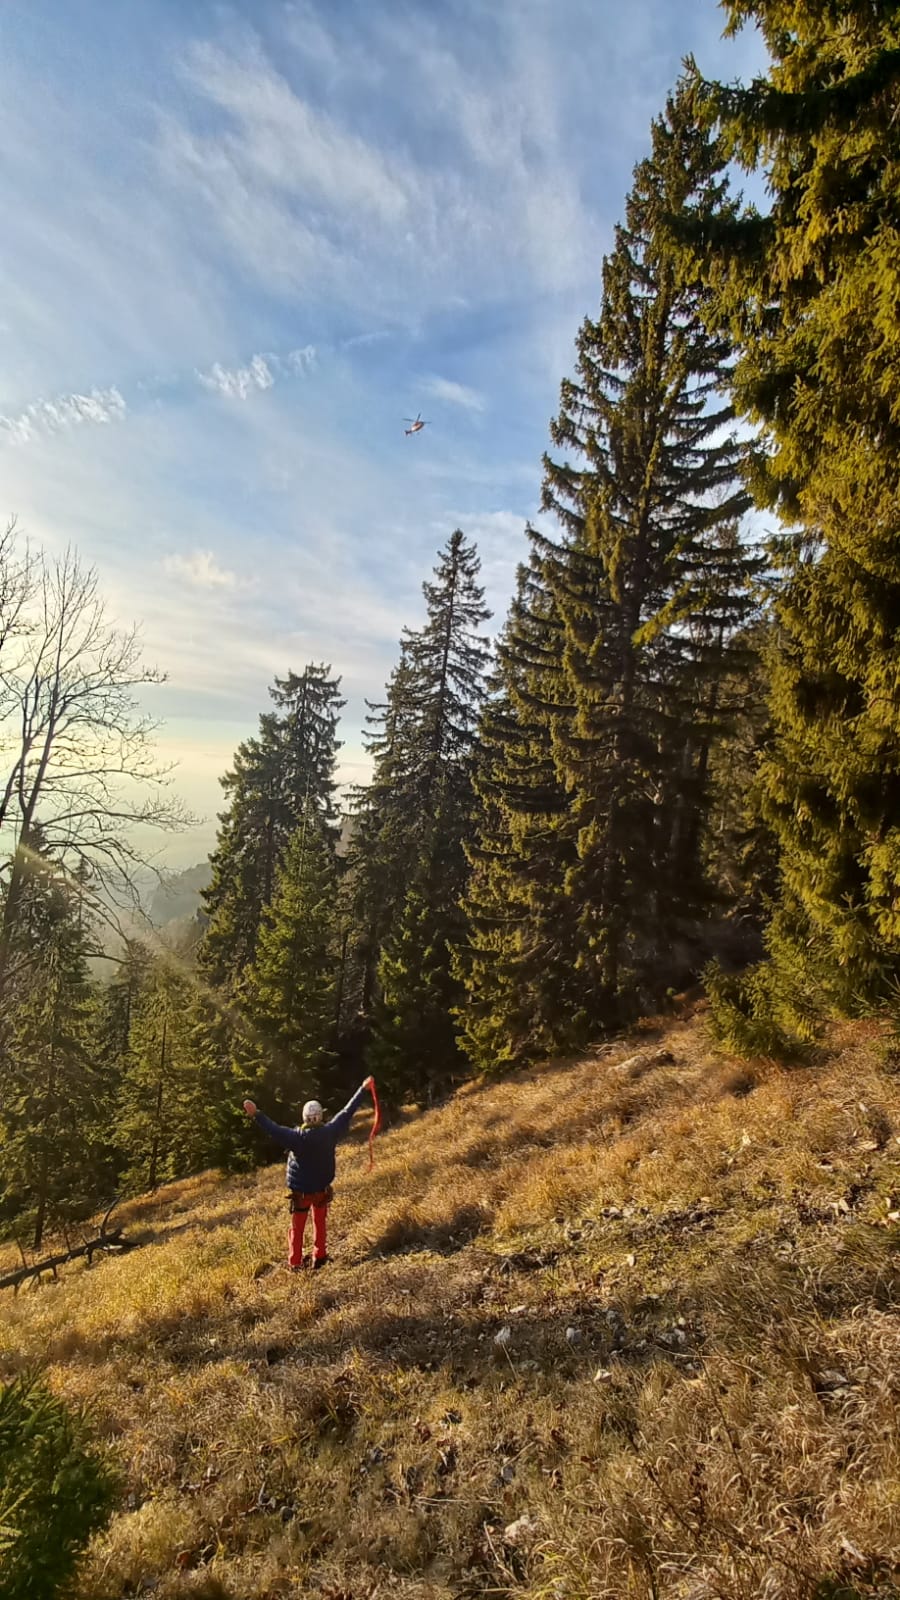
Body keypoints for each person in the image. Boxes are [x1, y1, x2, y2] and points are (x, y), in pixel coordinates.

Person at [243, 1078, 375, 1271]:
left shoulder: (295, 1138)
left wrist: (257, 1114)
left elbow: (273, 1129)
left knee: (297, 1228)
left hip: (301, 1194)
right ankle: (319, 1257)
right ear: (320, 1117)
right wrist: (363, 1089)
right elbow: (347, 1112)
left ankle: (295, 1263)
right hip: (321, 1190)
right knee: (320, 1223)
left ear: (304, 1118)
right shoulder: (330, 1132)